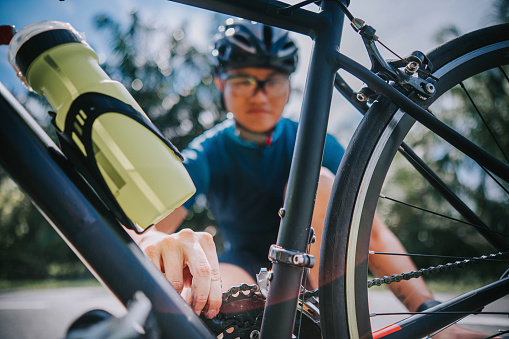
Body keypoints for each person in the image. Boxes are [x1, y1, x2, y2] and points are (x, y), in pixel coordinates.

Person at [137, 19, 492, 338]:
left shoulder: (313, 139)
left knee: (318, 184)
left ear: (288, 84)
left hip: (313, 272)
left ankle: (329, 322)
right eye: (244, 79)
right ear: (220, 83)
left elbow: (371, 229)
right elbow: (152, 224)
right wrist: (155, 240)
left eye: (273, 80)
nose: (260, 94)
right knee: (212, 304)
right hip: (242, 268)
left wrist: (431, 315)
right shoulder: (210, 149)